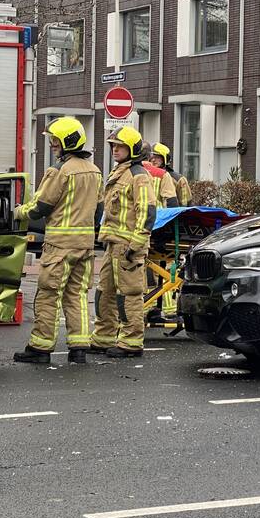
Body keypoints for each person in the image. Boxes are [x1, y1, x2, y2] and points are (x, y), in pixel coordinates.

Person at [12, 117, 103, 365]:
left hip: (59, 246)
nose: (53, 145)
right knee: (77, 296)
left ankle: (40, 348)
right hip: (85, 245)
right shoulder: (95, 171)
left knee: (48, 295)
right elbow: (98, 209)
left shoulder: (60, 171)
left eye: (55, 140)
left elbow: (40, 207)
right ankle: (79, 348)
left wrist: (17, 212)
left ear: (67, 142)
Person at [90, 126, 155, 358]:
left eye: (120, 146)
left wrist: (135, 246)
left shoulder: (138, 176)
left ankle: (131, 342)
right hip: (113, 244)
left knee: (128, 294)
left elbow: (146, 213)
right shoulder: (119, 172)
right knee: (104, 292)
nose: (115, 150)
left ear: (132, 150)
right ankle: (104, 336)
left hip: (128, 247)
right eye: (113, 146)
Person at [141, 142, 178, 209]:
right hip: (158, 217)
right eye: (152, 157)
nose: (153, 160)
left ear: (165, 159)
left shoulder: (177, 178)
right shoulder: (163, 174)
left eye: (157, 157)